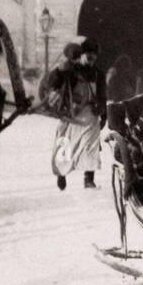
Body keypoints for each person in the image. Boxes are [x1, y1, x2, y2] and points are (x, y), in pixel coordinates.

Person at [47, 38, 107, 191]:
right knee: (65, 145)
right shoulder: (71, 70)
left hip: (90, 114)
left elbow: (102, 94)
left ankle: (89, 179)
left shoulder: (98, 74)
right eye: (88, 56)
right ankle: (61, 173)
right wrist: (60, 71)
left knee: (90, 147)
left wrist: (103, 113)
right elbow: (53, 83)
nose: (92, 59)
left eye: (94, 56)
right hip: (71, 114)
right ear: (82, 55)